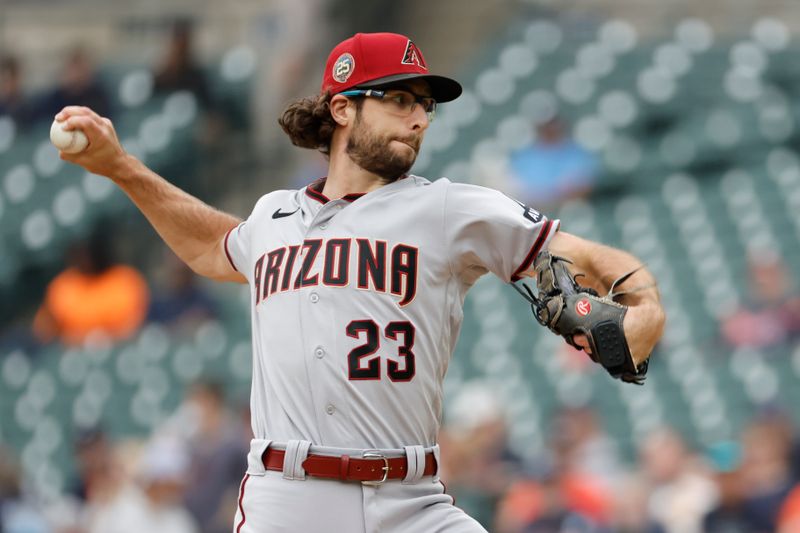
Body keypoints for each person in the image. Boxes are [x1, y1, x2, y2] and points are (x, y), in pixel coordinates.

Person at [53, 31, 665, 532]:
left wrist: (645, 299)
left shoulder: (450, 210)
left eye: (425, 103)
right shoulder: (274, 217)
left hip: (413, 501)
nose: (419, 117)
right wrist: (122, 168)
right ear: (342, 107)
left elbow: (581, 254)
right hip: (288, 500)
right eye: (399, 98)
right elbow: (214, 246)